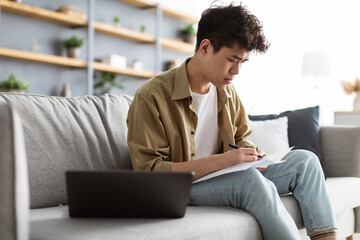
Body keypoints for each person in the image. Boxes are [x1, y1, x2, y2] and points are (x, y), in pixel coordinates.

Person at [126, 2, 337, 240]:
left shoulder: (227, 92)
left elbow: (241, 139)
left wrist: (252, 155)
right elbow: (150, 172)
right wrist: (225, 161)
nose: (236, 71)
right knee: (250, 181)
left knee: (306, 161)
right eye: (232, 59)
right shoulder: (151, 96)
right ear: (205, 47)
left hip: (227, 175)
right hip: (184, 187)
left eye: (242, 62)